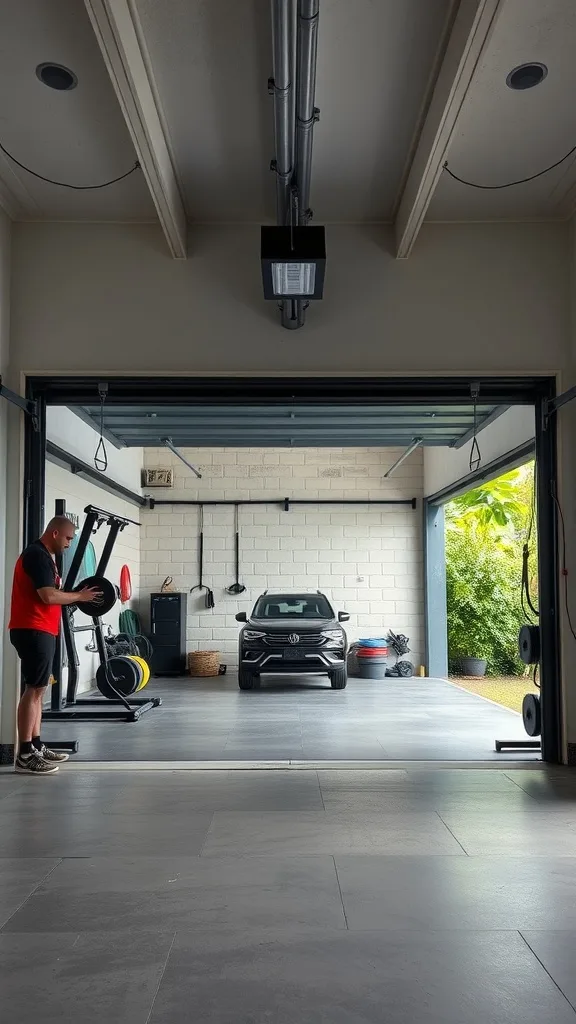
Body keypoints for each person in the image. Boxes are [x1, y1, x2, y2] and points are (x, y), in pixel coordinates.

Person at [9, 516, 102, 775]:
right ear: (54, 533)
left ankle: (36, 745)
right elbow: (48, 596)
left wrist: (75, 595)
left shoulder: (44, 556)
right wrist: (80, 596)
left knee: (38, 691)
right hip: (32, 630)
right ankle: (25, 755)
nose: (69, 544)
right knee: (33, 690)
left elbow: (52, 593)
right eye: (68, 538)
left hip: (41, 630)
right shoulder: (37, 555)